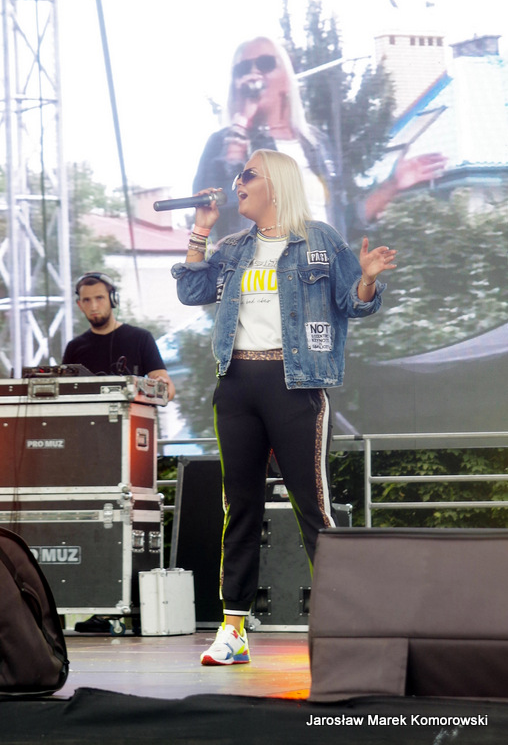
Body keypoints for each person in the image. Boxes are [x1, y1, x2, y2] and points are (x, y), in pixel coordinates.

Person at [172, 149, 397, 665]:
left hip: (296, 384)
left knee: (312, 506)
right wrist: (200, 229)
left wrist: (365, 277)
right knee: (240, 507)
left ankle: (345, 628)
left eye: (247, 174)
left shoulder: (320, 241)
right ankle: (233, 631)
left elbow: (355, 302)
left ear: (275, 183)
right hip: (236, 385)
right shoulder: (233, 247)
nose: (237, 182)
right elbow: (191, 290)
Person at [193, 35, 446, 241]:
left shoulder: (317, 144)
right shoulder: (222, 144)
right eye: (243, 69)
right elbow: (216, 211)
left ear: (286, 79)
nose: (254, 74)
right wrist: (240, 127)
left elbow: (343, 223)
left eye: (266, 64)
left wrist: (392, 185)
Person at [63, 272, 175, 399]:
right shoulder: (74, 347)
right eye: (87, 300)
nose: (93, 306)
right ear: (80, 305)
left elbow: (167, 388)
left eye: (99, 298)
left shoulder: (141, 338)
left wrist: (163, 387)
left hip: (133, 412)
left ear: (113, 299)